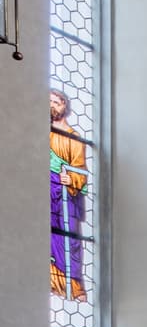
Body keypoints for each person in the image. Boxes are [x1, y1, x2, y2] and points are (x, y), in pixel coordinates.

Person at [49, 90, 87, 300]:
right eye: (49, 102)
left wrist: (70, 178)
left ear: (65, 106)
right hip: (46, 194)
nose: (52, 105)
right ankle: (52, 282)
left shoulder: (73, 137)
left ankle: (73, 287)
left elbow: (80, 169)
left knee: (68, 239)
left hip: (67, 196)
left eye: (56, 102)